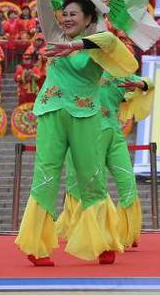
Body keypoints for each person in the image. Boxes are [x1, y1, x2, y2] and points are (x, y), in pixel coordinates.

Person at [16, 0, 138, 266]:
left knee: (91, 175)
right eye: (65, 14)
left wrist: (77, 47)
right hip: (53, 109)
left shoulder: (99, 41)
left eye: (74, 15)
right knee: (46, 172)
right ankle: (36, 245)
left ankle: (102, 241)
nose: (67, 18)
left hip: (86, 114)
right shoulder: (54, 34)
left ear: (88, 19)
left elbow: (109, 40)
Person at [58, 73, 153, 250]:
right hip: (90, 135)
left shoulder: (119, 75)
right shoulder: (86, 70)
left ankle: (125, 232)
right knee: (94, 184)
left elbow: (149, 84)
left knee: (128, 182)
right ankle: (91, 232)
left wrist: (139, 83)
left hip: (115, 134)